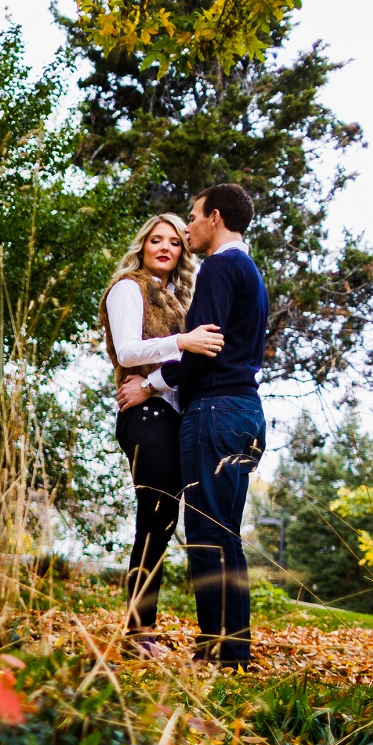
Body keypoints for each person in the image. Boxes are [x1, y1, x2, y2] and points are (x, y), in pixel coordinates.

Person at [117, 183, 268, 669]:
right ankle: (228, 649)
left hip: (217, 410)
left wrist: (151, 383)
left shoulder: (221, 267)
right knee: (221, 533)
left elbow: (200, 352)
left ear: (215, 217)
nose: (187, 227)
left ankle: (221, 654)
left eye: (192, 217)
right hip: (242, 410)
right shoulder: (249, 271)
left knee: (207, 533)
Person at [102, 214, 224, 653]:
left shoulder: (178, 297)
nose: (166, 247)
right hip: (144, 415)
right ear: (143, 244)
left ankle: (142, 629)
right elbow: (129, 348)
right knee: (154, 519)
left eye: (174, 241)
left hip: (169, 413)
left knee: (163, 520)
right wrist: (182, 343)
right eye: (157, 239)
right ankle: (138, 633)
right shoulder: (127, 288)